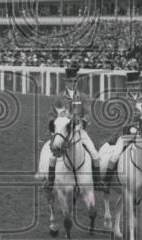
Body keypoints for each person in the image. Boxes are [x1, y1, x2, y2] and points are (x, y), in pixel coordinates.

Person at [44, 61, 103, 192]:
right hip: (64, 132)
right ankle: (50, 181)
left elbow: (88, 113)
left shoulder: (83, 96)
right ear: (66, 82)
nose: (72, 84)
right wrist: (53, 125)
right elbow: (51, 114)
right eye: (70, 81)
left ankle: (97, 181)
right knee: (53, 156)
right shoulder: (59, 97)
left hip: (78, 131)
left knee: (94, 154)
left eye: (74, 81)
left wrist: (83, 121)